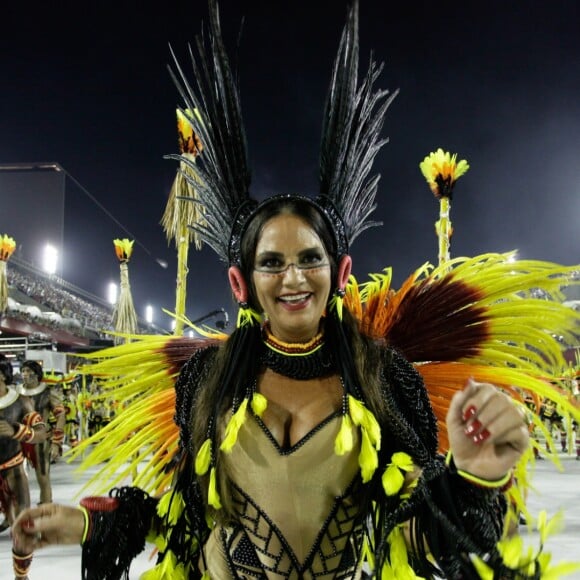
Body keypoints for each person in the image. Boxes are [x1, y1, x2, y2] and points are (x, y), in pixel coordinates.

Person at [11, 1, 580, 578]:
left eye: (311, 259)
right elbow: (185, 520)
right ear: (240, 282)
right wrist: (87, 524)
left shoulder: (383, 377)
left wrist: (472, 474)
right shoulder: (207, 379)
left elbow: (414, 532)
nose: (293, 278)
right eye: (271, 263)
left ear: (341, 272)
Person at [0, 358, 47, 579]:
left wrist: (17, 431)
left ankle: (21, 575)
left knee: (22, 528)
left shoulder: (20, 402)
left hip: (13, 472)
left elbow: (41, 432)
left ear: (2, 375)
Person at [17, 360, 65, 504]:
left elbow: (60, 415)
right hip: (17, 441)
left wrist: (56, 442)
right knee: (13, 478)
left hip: (39, 441)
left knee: (43, 478)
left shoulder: (48, 393)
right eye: (23, 371)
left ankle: (46, 511)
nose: (25, 374)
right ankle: (13, 514)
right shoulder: (15, 392)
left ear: (37, 374)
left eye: (28, 371)